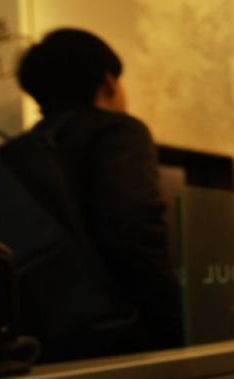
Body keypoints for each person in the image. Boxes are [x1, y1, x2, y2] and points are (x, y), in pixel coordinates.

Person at [16, 29, 183, 358]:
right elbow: (133, 231)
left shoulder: (21, 152)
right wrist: (176, 320)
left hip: (46, 342)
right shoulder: (118, 132)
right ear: (109, 83)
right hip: (122, 339)